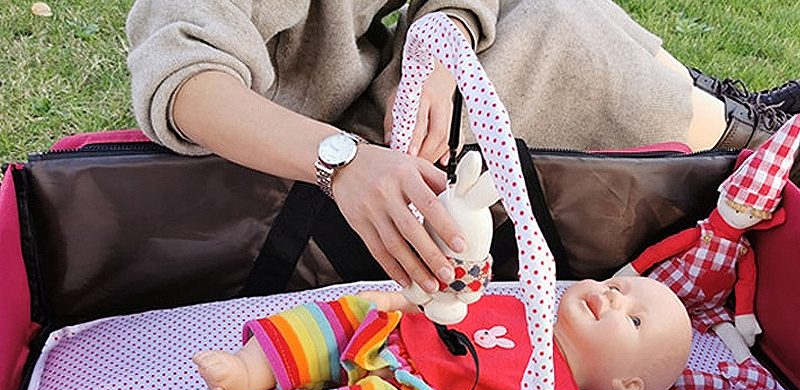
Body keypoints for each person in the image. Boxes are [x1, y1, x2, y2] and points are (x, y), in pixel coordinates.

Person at [126, 0, 800, 296]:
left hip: (379, 127)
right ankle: (746, 140)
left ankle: (726, 117)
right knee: (553, 34)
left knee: (541, 10)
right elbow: (183, 81)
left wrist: (439, 45)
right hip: (306, 177)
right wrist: (344, 163)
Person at [192, 276, 692, 390]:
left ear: (628, 385)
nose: (613, 297)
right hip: (391, 334)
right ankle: (249, 370)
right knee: (342, 315)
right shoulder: (527, 303)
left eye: (635, 318)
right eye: (621, 287)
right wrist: (401, 302)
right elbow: (456, 306)